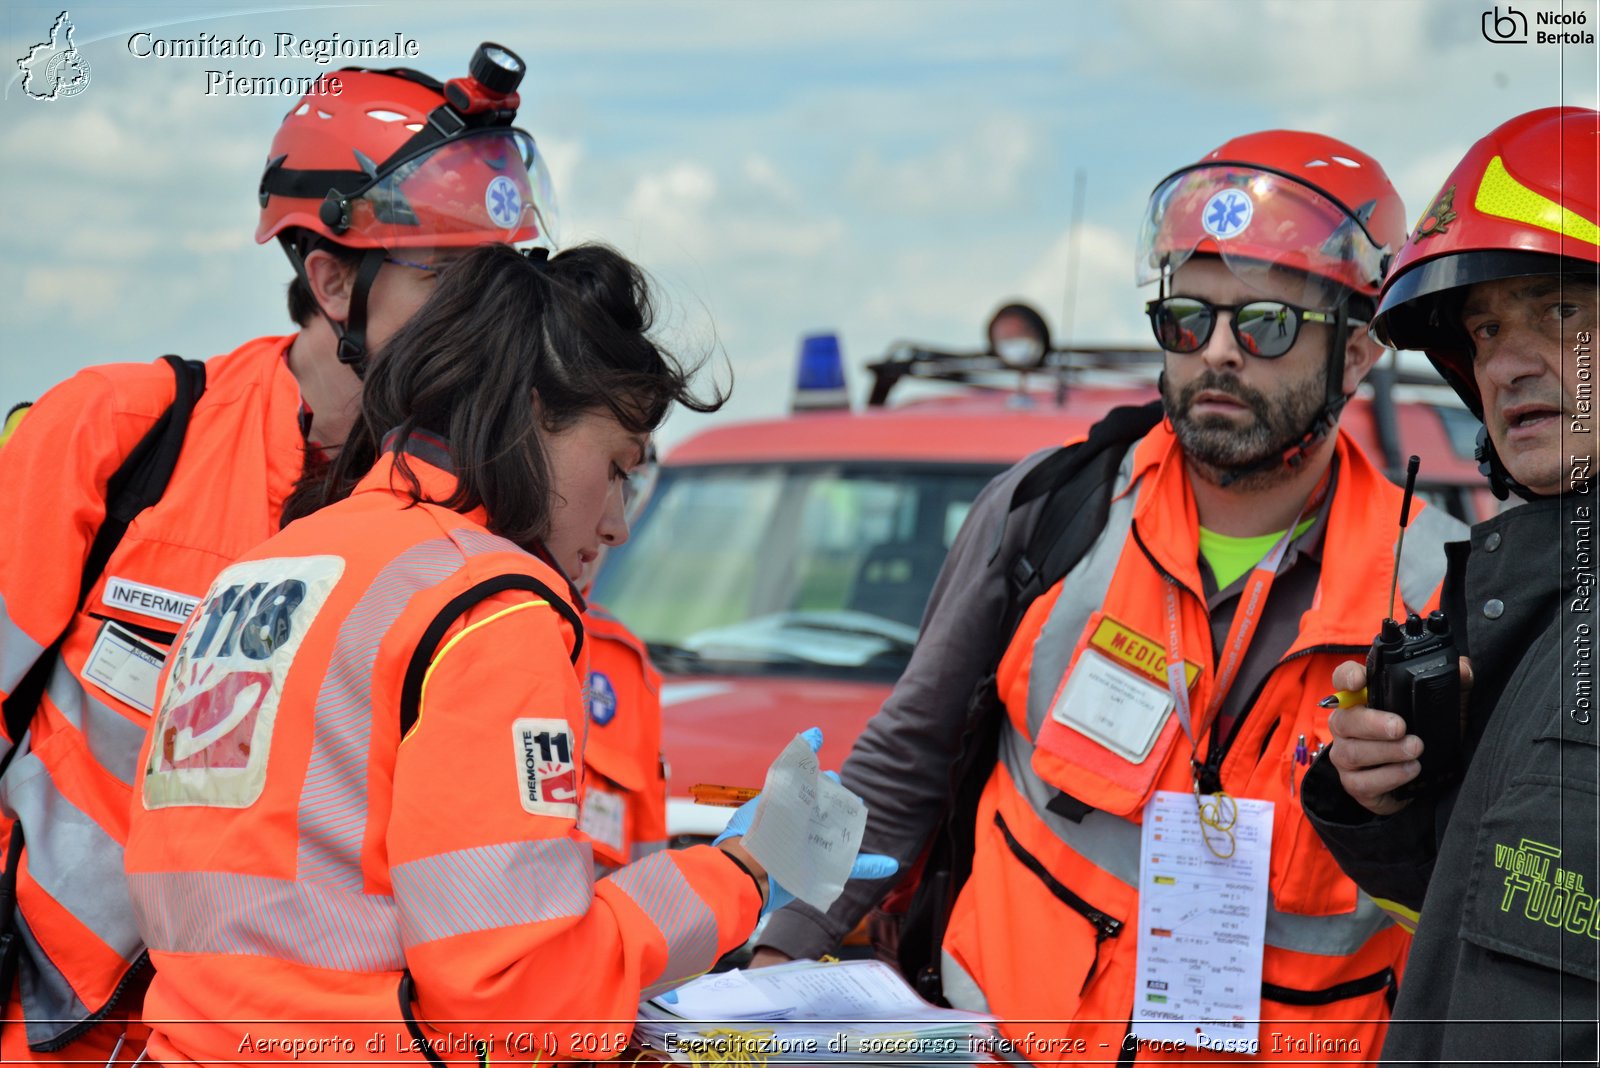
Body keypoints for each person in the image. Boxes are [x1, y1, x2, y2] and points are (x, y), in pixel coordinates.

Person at [753, 130, 1468, 1060]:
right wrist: (766, 964)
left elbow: (1472, 913)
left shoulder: (1436, 592)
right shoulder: (1052, 512)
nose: (1217, 354)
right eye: (1186, 319)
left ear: (1362, 350)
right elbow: (901, 766)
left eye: (1266, 324)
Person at [122, 243, 896, 1065]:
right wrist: (742, 872)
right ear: (534, 414)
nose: (618, 523)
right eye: (618, 467)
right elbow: (512, 995)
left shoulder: (267, 567)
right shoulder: (489, 605)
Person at [0, 46, 556, 1061]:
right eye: (448, 274)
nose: (490, 318)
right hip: (48, 1023)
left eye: (500, 278)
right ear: (333, 279)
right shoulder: (117, 435)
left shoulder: (482, 521)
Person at [1302, 107, 1600, 1064]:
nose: (1504, 362)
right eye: (1483, 325)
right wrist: (1393, 800)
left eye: (1556, 309)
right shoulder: (1530, 599)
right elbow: (1482, 938)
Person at [578, 596, 669, 870]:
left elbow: (648, 828)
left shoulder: (625, 654)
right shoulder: (488, 621)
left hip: (592, 900)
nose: (597, 551)